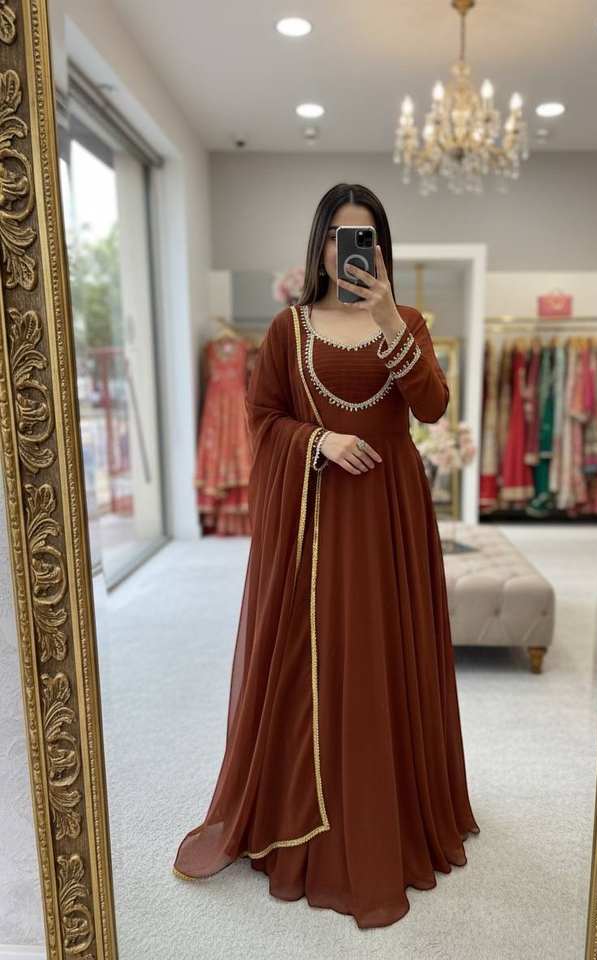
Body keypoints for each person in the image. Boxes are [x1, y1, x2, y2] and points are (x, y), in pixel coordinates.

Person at [172, 182, 480, 929]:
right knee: (315, 654)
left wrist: (387, 318)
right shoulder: (290, 328)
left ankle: (391, 806)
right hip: (315, 519)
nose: (351, 251)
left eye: (364, 236)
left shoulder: (406, 321)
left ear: (381, 247)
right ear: (320, 245)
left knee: (386, 649)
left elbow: (432, 407)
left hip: (390, 515)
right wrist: (319, 441)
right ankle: (306, 803)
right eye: (340, 236)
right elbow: (263, 417)